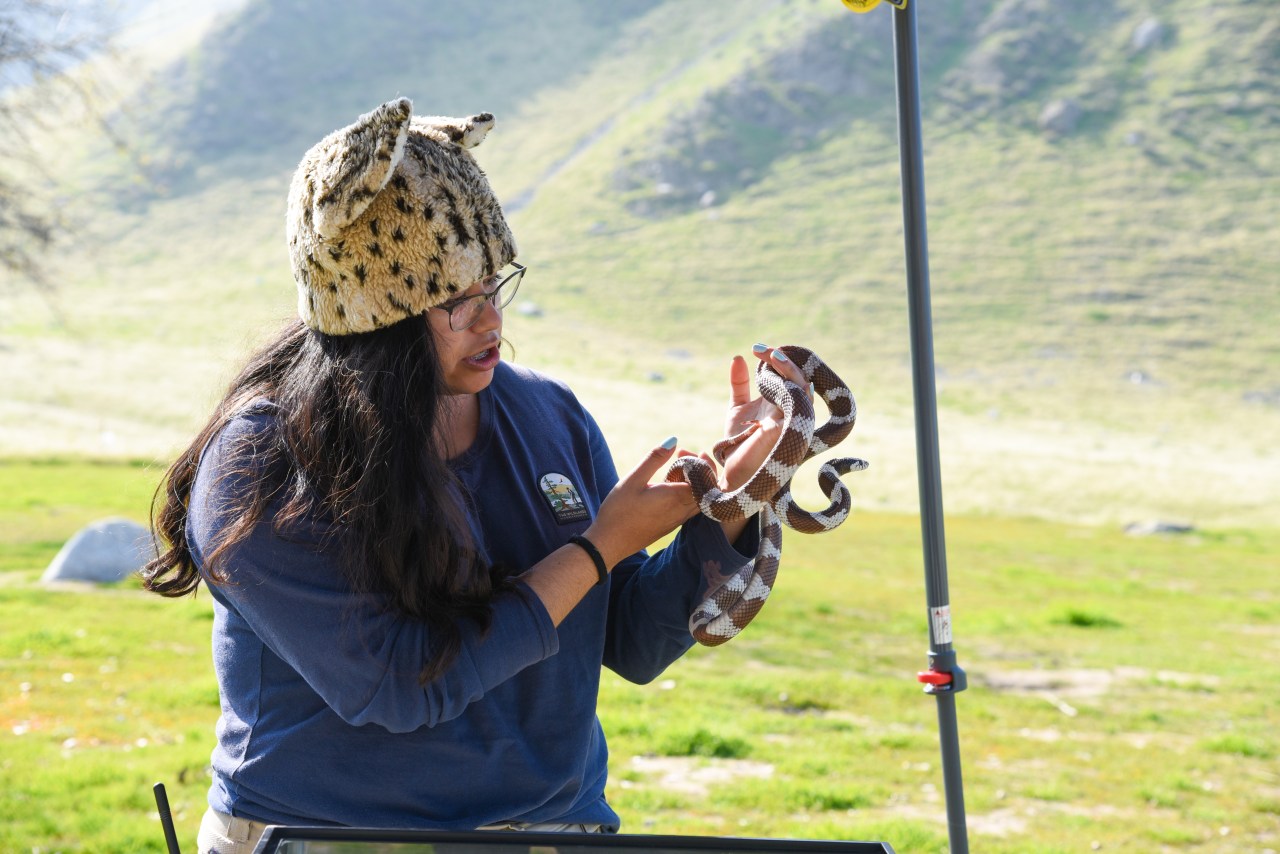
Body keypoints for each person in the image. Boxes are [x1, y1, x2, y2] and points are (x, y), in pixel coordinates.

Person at [143, 98, 811, 854]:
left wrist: (730, 500)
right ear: (376, 315)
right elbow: (397, 687)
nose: (491, 321)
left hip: (548, 832)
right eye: (457, 302)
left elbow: (630, 638)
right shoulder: (262, 464)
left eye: (494, 284)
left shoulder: (550, 416)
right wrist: (596, 548)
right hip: (323, 837)